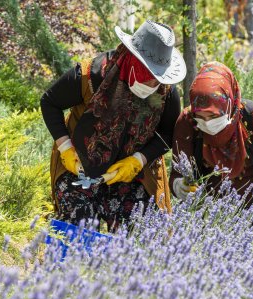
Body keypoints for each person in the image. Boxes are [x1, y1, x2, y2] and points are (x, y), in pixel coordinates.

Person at [41, 21, 186, 233]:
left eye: (157, 80)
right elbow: (49, 102)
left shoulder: (166, 92)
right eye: (148, 77)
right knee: (76, 229)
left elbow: (166, 133)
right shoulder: (91, 75)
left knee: (141, 233)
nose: (152, 86)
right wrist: (65, 148)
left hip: (133, 175)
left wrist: (139, 160)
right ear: (132, 60)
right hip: (80, 165)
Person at [170, 62, 253, 213]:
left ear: (229, 106)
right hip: (213, 217)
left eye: (213, 116)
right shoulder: (188, 122)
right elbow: (177, 171)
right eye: (201, 117)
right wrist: (179, 186)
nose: (207, 123)